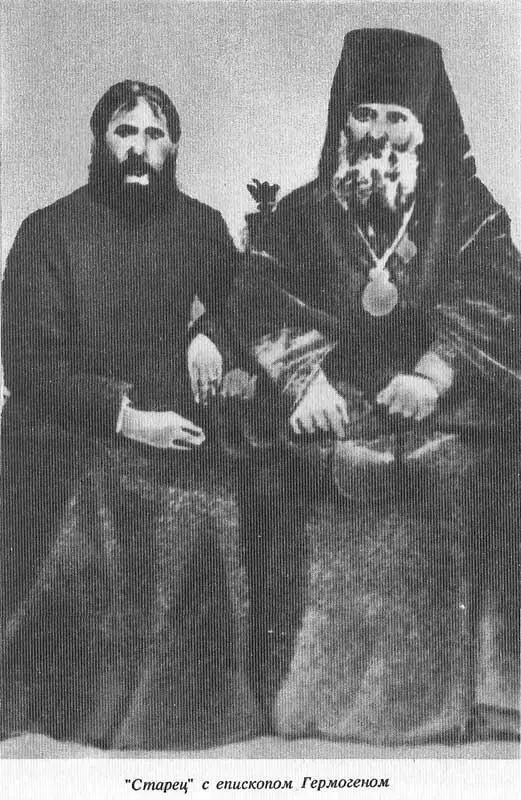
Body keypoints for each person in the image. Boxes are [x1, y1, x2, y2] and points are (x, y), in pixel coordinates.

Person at [232, 29, 520, 743]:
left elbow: (495, 298)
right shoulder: (302, 213)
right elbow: (258, 297)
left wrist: (434, 372)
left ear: (425, 129)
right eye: (365, 115)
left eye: (398, 118)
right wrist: (303, 379)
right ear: (343, 121)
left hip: (440, 407)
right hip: (333, 406)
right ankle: (311, 703)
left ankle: (474, 697)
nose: (379, 136)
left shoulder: (472, 213)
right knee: (289, 464)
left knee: (478, 470)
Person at [0, 80, 262, 750]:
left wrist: (212, 336)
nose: (139, 149)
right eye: (124, 132)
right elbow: (29, 368)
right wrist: (127, 419)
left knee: (220, 498)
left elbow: (246, 307)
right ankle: (82, 707)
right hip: (69, 432)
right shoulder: (47, 232)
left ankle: (186, 709)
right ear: (100, 141)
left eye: (154, 134)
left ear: (172, 147)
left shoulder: (201, 226)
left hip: (167, 426)